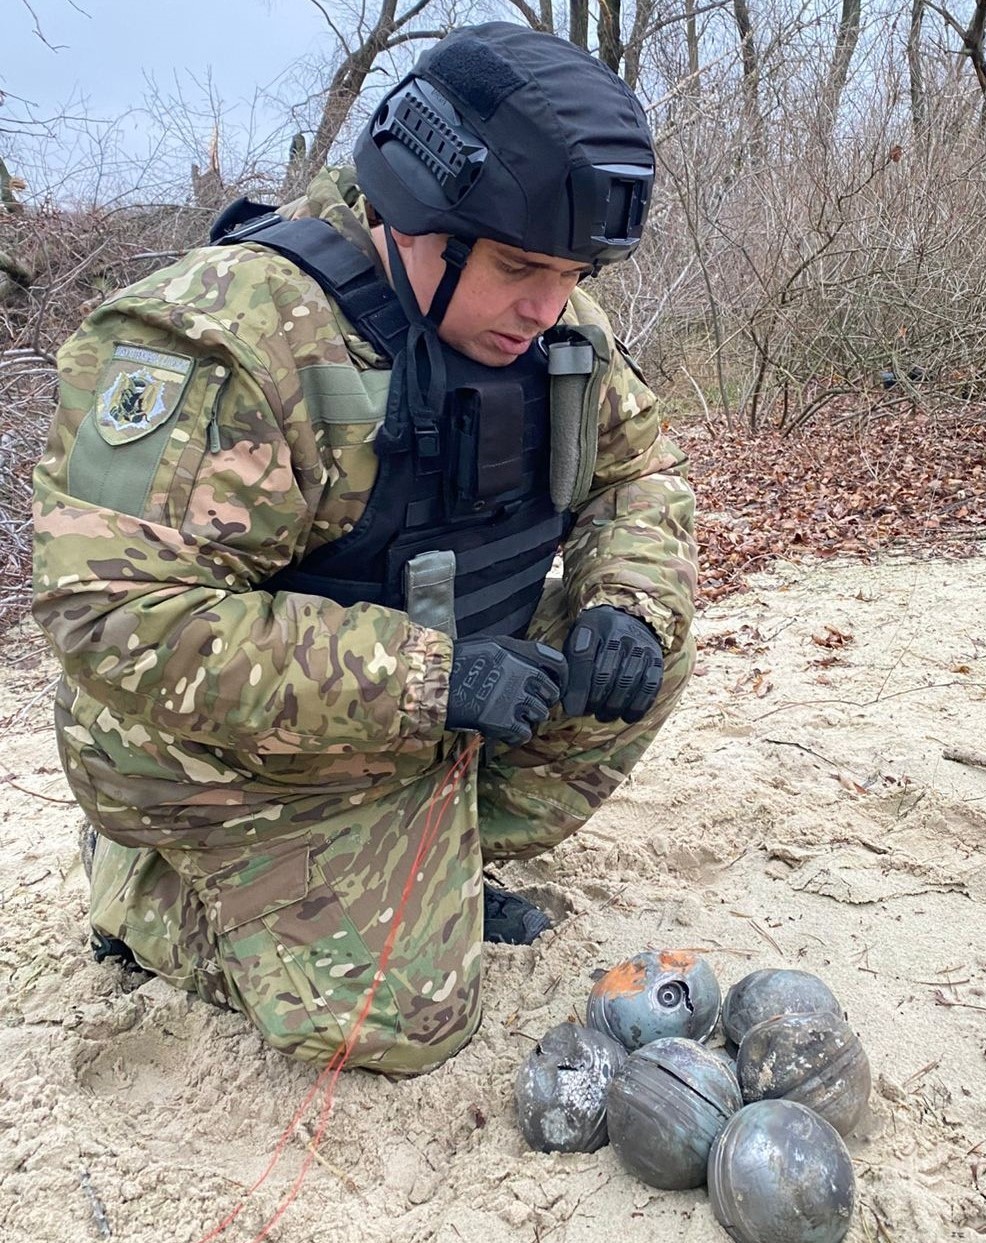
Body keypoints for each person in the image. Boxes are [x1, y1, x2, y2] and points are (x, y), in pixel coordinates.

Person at [30, 23, 696, 1075]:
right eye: (522, 267)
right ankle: (146, 886)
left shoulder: (552, 328)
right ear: (415, 218)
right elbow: (109, 612)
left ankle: (426, 856)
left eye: (571, 272)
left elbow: (641, 472)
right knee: (403, 1023)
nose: (546, 304)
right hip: (213, 754)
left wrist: (627, 599)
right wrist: (429, 677)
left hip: (412, 715)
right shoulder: (222, 338)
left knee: (644, 657)